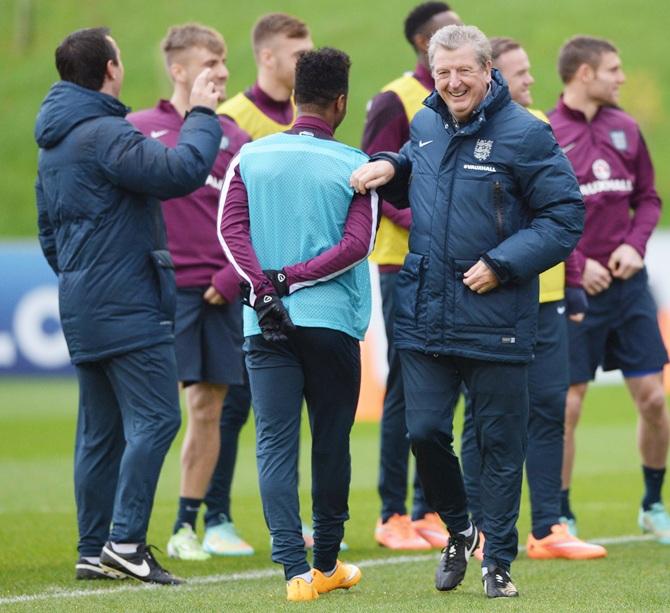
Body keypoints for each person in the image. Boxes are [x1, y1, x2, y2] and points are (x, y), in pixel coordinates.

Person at [351, 24, 584, 598]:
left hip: (498, 316)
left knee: (501, 446)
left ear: (488, 71)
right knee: (423, 429)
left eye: (464, 71)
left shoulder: (527, 134)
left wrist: (503, 264)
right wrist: (391, 167)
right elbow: (419, 167)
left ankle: (497, 563)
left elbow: (564, 217)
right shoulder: (426, 122)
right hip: (427, 311)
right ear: (432, 74)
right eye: (443, 72)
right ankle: (460, 529)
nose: (453, 82)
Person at [35, 27, 222, 584]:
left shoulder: (55, 142)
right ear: (111, 70)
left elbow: (49, 236)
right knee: (160, 417)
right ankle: (124, 542)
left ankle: (93, 549)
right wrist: (203, 114)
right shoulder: (106, 134)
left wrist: (84, 279)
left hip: (82, 302)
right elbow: (182, 172)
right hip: (128, 303)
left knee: (100, 431)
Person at [219, 48, 377, 602]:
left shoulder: (250, 156)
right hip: (332, 322)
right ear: (341, 102)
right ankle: (329, 563)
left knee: (274, 444)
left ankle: (294, 573)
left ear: (292, 97)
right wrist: (293, 279)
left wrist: (266, 285)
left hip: (264, 323)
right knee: (332, 442)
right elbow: (358, 247)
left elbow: (230, 233)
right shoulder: (355, 163)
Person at [459, 36, 606, 561]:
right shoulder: (471, 133)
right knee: (484, 416)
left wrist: (568, 287)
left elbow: (558, 215)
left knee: (551, 406)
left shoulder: (537, 125)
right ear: (494, 76)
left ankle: (548, 527)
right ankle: (475, 529)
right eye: (520, 73)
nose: (531, 81)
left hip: (545, 299)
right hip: (494, 298)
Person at [128, 24, 252, 560]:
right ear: (178, 70)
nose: (221, 71)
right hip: (160, 294)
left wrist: (232, 275)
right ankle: (120, 529)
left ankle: (185, 527)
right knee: (154, 414)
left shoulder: (236, 137)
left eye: (223, 61)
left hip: (218, 294)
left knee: (208, 409)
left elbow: (251, 218)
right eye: (209, 62)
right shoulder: (137, 129)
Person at [549, 35, 670, 544]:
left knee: (655, 399)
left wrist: (637, 245)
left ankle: (652, 503)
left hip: (629, 287)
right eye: (613, 69)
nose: (621, 77)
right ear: (583, 73)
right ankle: (561, 515)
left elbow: (648, 198)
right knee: (569, 405)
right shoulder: (547, 133)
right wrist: (580, 263)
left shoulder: (626, 127)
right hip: (578, 291)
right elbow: (542, 213)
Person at [208, 12, 316, 552]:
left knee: (284, 409)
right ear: (267, 57)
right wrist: (234, 276)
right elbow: (220, 208)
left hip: (299, 285)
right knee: (230, 406)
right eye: (298, 54)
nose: (307, 63)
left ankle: (291, 522)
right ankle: (214, 517)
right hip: (248, 285)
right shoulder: (232, 119)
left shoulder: (310, 116)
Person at [361, 0, 461, 552]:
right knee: (405, 381)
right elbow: (374, 174)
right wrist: (426, 223)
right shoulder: (395, 98)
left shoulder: (465, 98)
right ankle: (392, 512)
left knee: (444, 382)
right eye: (451, 29)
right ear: (426, 42)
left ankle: (430, 510)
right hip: (405, 263)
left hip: (456, 264)